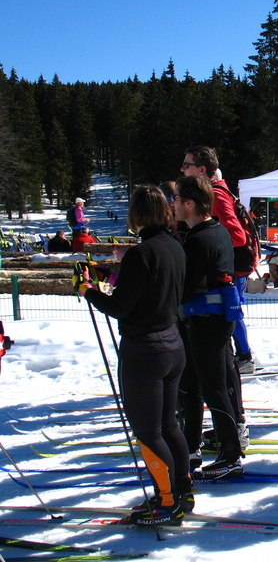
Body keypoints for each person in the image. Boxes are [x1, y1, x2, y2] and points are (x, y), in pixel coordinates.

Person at [78, 185, 191, 526]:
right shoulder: (173, 246)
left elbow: (120, 307)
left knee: (147, 430)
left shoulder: (141, 253)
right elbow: (148, 288)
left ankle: (168, 502)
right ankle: (181, 490)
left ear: (136, 215)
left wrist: (87, 290)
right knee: (168, 424)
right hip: (172, 343)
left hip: (145, 350)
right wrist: (115, 274)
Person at [174, 174, 244, 478]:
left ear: (189, 203)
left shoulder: (200, 239)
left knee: (213, 387)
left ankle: (231, 455)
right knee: (191, 385)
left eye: (177, 199)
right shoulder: (214, 231)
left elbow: (188, 285)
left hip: (207, 320)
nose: (174, 205)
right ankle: (191, 447)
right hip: (208, 319)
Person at [182, 145, 254, 373]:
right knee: (229, 310)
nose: (182, 170)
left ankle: (244, 357)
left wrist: (211, 247)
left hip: (231, 267)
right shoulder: (215, 192)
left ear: (201, 170)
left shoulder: (217, 195)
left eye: (186, 165)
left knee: (230, 310)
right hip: (229, 266)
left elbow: (237, 236)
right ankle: (239, 357)